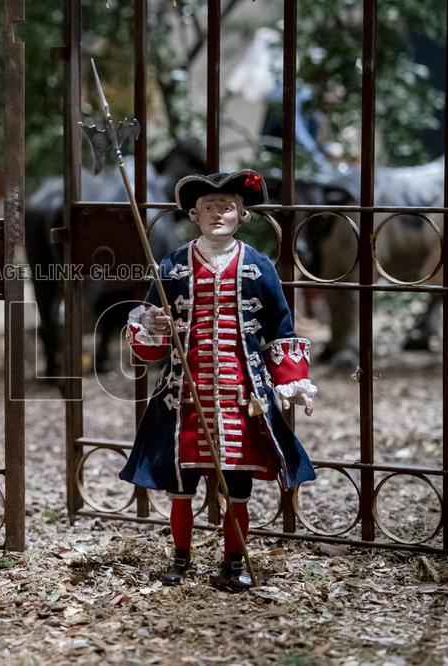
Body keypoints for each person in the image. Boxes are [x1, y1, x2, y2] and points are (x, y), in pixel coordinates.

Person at [119, 170, 317, 592]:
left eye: (227, 207)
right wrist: (154, 324)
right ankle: (180, 558)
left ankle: (234, 561)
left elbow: (281, 326)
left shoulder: (259, 265)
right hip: (184, 396)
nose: (218, 214)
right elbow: (147, 333)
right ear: (194, 214)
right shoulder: (171, 265)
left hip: (241, 396)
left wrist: (292, 380)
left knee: (238, 486)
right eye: (209, 207)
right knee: (180, 485)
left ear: (242, 215)